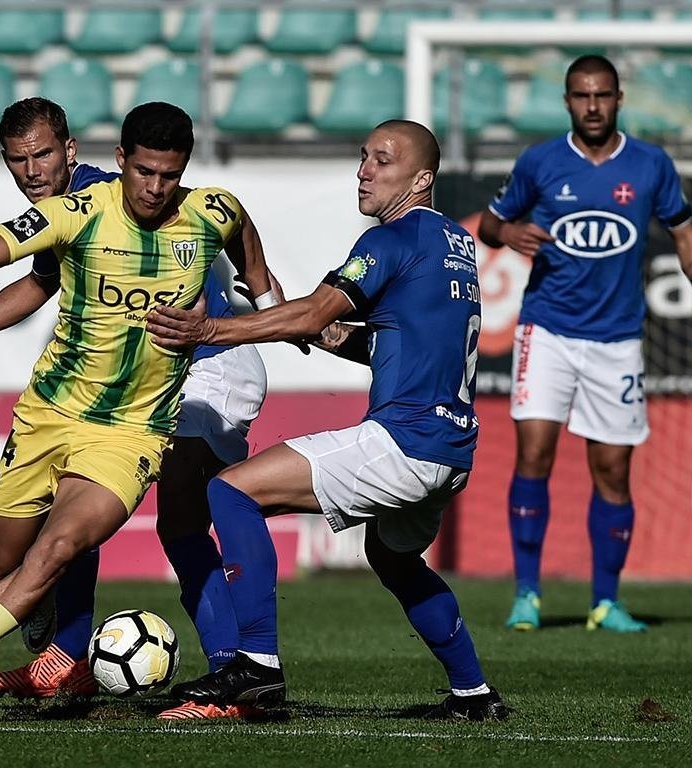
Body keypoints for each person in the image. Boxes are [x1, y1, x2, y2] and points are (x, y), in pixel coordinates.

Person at [0, 101, 274, 724]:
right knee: (2, 562)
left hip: (203, 367)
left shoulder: (124, 193)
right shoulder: (73, 213)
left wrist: (275, 308)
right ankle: (66, 645)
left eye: (43, 155)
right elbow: (37, 281)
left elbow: (229, 222)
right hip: (68, 405)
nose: (32, 171)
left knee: (145, 527)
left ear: (71, 150)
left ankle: (234, 673)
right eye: (19, 160)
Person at [148, 120, 507, 721]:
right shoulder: (455, 245)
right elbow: (380, 341)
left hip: (404, 440)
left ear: (422, 178)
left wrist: (210, 328)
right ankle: (473, 694)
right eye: (363, 157)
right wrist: (315, 329)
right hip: (451, 446)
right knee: (393, 558)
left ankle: (256, 666)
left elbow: (316, 310)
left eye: (383, 161)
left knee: (230, 493)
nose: (365, 170)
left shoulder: (389, 239)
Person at [477, 55, 692, 633]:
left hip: (616, 340)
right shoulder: (540, 162)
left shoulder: (651, 165)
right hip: (547, 330)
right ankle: (527, 596)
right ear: (566, 101)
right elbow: (488, 225)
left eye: (602, 95)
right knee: (534, 454)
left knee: (612, 469)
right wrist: (508, 231)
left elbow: (685, 236)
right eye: (582, 96)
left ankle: (605, 601)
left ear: (618, 98)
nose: (592, 106)